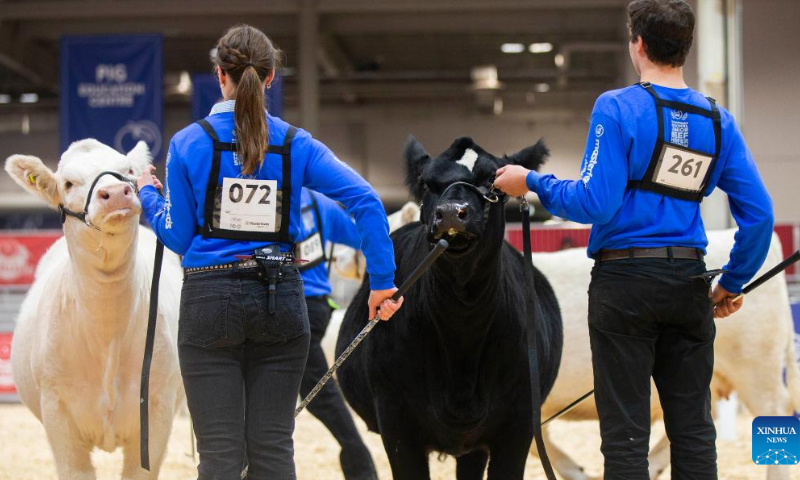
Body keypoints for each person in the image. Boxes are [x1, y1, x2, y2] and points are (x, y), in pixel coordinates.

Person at [493, 1, 773, 478]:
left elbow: (594, 204)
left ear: (637, 43)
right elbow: (761, 215)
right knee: (694, 432)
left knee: (625, 436)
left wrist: (533, 183)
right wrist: (734, 281)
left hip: (624, 283)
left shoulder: (618, 107)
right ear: (684, 46)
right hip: (689, 279)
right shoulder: (718, 121)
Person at [136, 24, 403, 479]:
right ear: (271, 77)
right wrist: (382, 282)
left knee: (219, 456)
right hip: (280, 299)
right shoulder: (294, 142)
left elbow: (177, 238)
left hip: (208, 300)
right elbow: (366, 201)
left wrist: (147, 194)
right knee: (274, 451)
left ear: (220, 74)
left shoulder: (187, 143)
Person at [295, 187, 377, 479]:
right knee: (313, 389)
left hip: (292, 304)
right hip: (317, 307)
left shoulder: (274, 190)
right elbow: (360, 236)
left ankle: (361, 465)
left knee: (320, 392)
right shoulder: (322, 204)